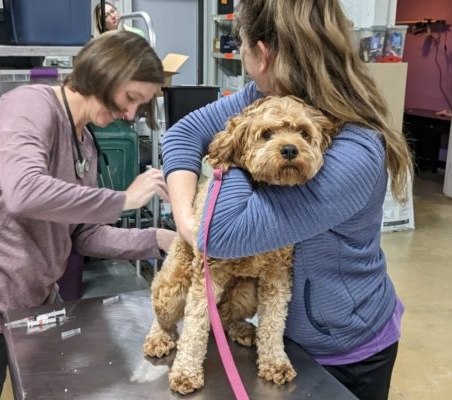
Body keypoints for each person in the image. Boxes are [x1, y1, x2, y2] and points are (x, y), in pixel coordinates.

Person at [161, 1, 413, 399]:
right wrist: (185, 221)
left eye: (241, 47)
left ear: (262, 54)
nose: (243, 60)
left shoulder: (356, 150)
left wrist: (242, 147)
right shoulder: (263, 97)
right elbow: (182, 135)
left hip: (344, 348)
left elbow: (222, 233)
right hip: (286, 335)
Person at [0, 30, 176, 400]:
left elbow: (84, 235)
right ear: (103, 73)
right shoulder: (29, 107)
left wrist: (159, 240)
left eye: (140, 106)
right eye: (130, 98)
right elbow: (23, 193)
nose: (130, 114)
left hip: (34, 305)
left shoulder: (83, 138)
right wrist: (123, 199)